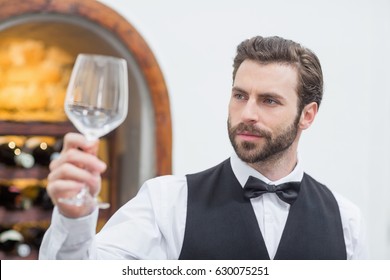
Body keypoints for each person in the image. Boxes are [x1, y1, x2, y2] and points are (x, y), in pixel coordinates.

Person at [39, 35, 366, 260]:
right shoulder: (166, 201)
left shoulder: (346, 219)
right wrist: (74, 218)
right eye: (240, 96)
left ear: (306, 115)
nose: (248, 114)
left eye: (269, 101)